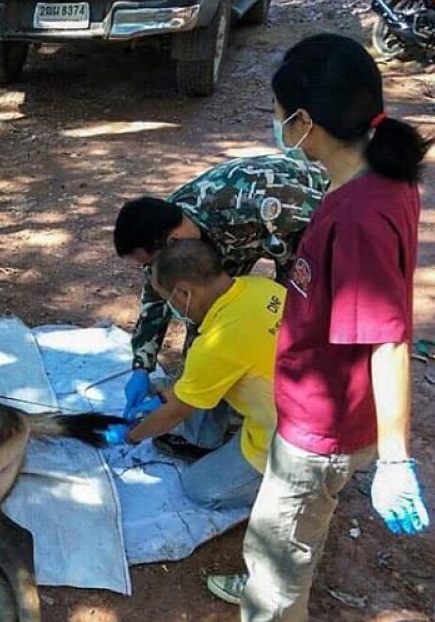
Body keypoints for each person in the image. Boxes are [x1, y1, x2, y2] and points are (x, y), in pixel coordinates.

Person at [179, 33, 432, 622]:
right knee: (285, 523)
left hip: (324, 424)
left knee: (284, 524)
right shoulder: (374, 180)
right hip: (315, 406)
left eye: (280, 113)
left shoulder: (360, 215)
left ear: (307, 123)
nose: (277, 124)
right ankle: (270, 587)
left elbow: (389, 338)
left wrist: (396, 457)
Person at [112, 154, 327, 460]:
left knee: (291, 327)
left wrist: (290, 310)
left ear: (172, 244)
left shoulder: (249, 204)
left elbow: (314, 242)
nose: (149, 270)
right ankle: (205, 430)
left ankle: (298, 419)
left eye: (149, 263)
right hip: (242, 243)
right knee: (210, 339)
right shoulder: (165, 230)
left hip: (301, 221)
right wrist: (141, 366)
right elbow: (158, 299)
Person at [103, 240, 284, 515]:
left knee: (199, 489)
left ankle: (292, 485)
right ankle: (210, 437)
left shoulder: (217, 343)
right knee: (185, 383)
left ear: (184, 293)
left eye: (168, 300)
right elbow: (198, 382)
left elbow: (175, 412)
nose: (173, 308)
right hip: (309, 398)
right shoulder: (260, 287)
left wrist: (131, 435)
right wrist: (159, 392)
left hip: (294, 438)